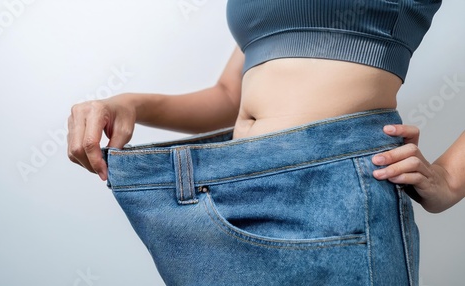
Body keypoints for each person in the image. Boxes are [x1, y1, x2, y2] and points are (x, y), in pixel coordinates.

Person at [67, 1, 464, 285]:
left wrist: (448, 180)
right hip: (225, 192)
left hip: (330, 195)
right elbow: (227, 94)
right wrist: (128, 103)